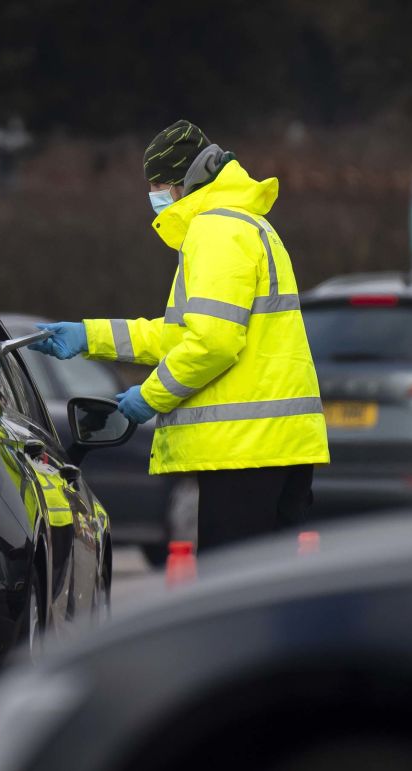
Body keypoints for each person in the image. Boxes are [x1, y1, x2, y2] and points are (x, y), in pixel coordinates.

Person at [29, 120, 329, 550]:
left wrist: (149, 397)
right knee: (262, 599)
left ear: (184, 182)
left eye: (157, 184)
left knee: (230, 598)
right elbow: (182, 335)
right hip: (270, 447)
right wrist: (89, 336)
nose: (153, 196)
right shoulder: (246, 225)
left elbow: (213, 342)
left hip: (244, 450)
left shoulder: (216, 231)